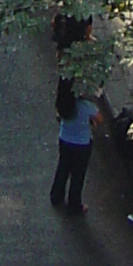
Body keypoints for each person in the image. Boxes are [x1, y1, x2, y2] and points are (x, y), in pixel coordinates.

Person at [51, 77, 100, 216]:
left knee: (63, 168)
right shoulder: (85, 106)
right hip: (82, 144)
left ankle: (56, 195)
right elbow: (99, 118)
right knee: (78, 174)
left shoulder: (62, 104)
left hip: (65, 139)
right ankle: (74, 204)